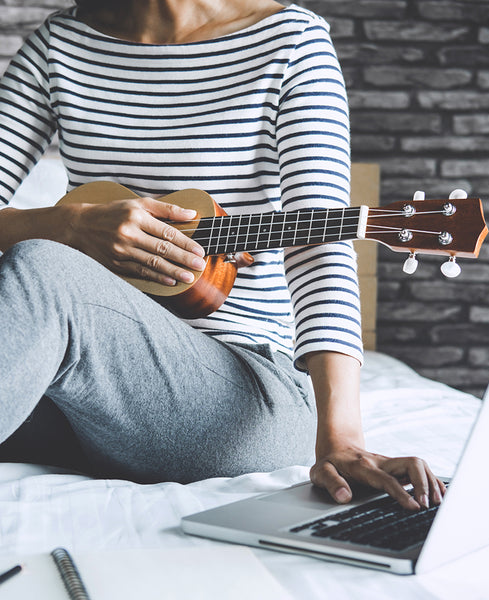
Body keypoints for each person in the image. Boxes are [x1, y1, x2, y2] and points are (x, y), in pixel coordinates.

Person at [0, 0, 444, 510]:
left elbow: (320, 250)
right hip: (84, 396)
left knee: (41, 269)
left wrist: (341, 439)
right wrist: (66, 225)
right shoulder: (61, 44)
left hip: (245, 399)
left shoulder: (291, 42)